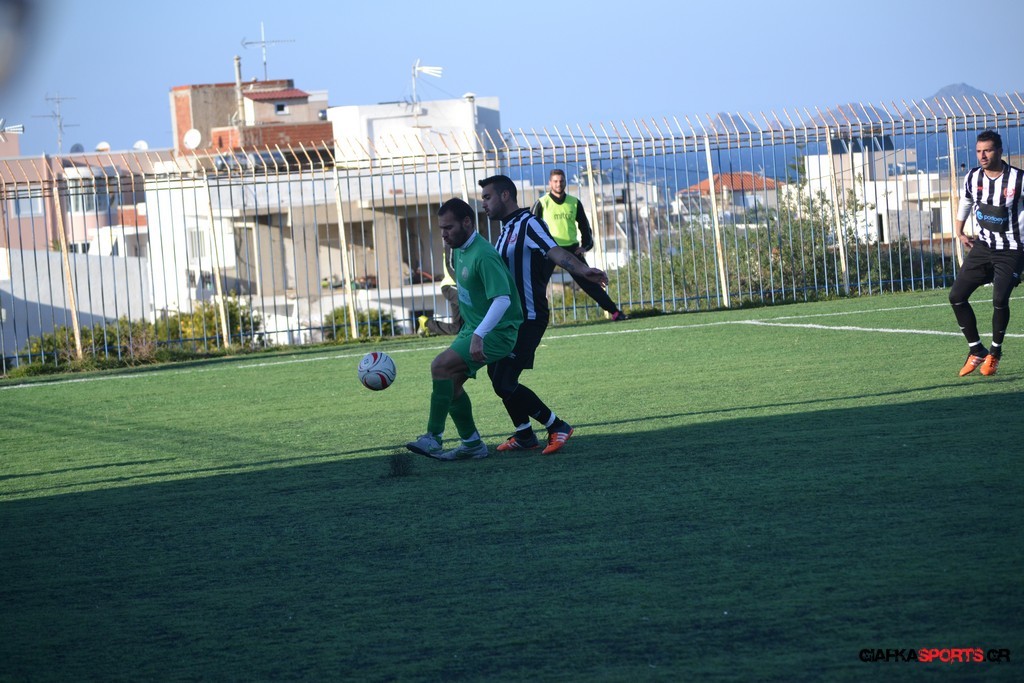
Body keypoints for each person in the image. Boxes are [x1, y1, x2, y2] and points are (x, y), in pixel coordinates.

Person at [478, 174, 609, 455]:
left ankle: (557, 425)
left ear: (505, 195)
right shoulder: (505, 232)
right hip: (508, 320)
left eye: (487, 197)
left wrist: (583, 269)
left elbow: (555, 251)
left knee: (504, 381)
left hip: (529, 316)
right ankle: (525, 434)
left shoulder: (529, 223)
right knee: (494, 372)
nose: (484, 204)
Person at [406, 198, 523, 460]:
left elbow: (502, 299)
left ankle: (433, 438)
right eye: (441, 229)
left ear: (467, 223)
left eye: (448, 228)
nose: (444, 234)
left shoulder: (484, 254)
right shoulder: (458, 249)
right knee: (451, 384)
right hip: (473, 329)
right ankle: (472, 444)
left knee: (440, 366)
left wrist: (479, 335)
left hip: (497, 332)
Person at [950, 130, 1024, 377]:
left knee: (999, 300)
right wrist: (959, 232)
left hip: (1012, 249)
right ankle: (976, 350)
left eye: (988, 150)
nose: (982, 156)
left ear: (999, 151)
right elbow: (966, 201)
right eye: (979, 151)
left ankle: (995, 353)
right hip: (983, 246)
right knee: (956, 296)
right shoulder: (973, 177)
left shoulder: (1018, 179)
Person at [533, 169, 628, 321]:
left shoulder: (574, 202)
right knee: (537, 285)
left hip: (572, 250)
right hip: (550, 250)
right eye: (555, 181)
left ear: (565, 182)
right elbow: (532, 227)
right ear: (550, 183)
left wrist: (585, 246)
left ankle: (615, 312)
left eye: (561, 181)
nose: (558, 184)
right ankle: (533, 318)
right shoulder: (542, 203)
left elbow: (585, 226)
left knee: (589, 281)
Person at [418, 246, 463, 336]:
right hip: (451, 286)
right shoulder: (452, 245)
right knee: (471, 301)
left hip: (460, 287)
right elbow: (449, 265)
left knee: (456, 329)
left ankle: (427, 324)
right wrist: (462, 283)